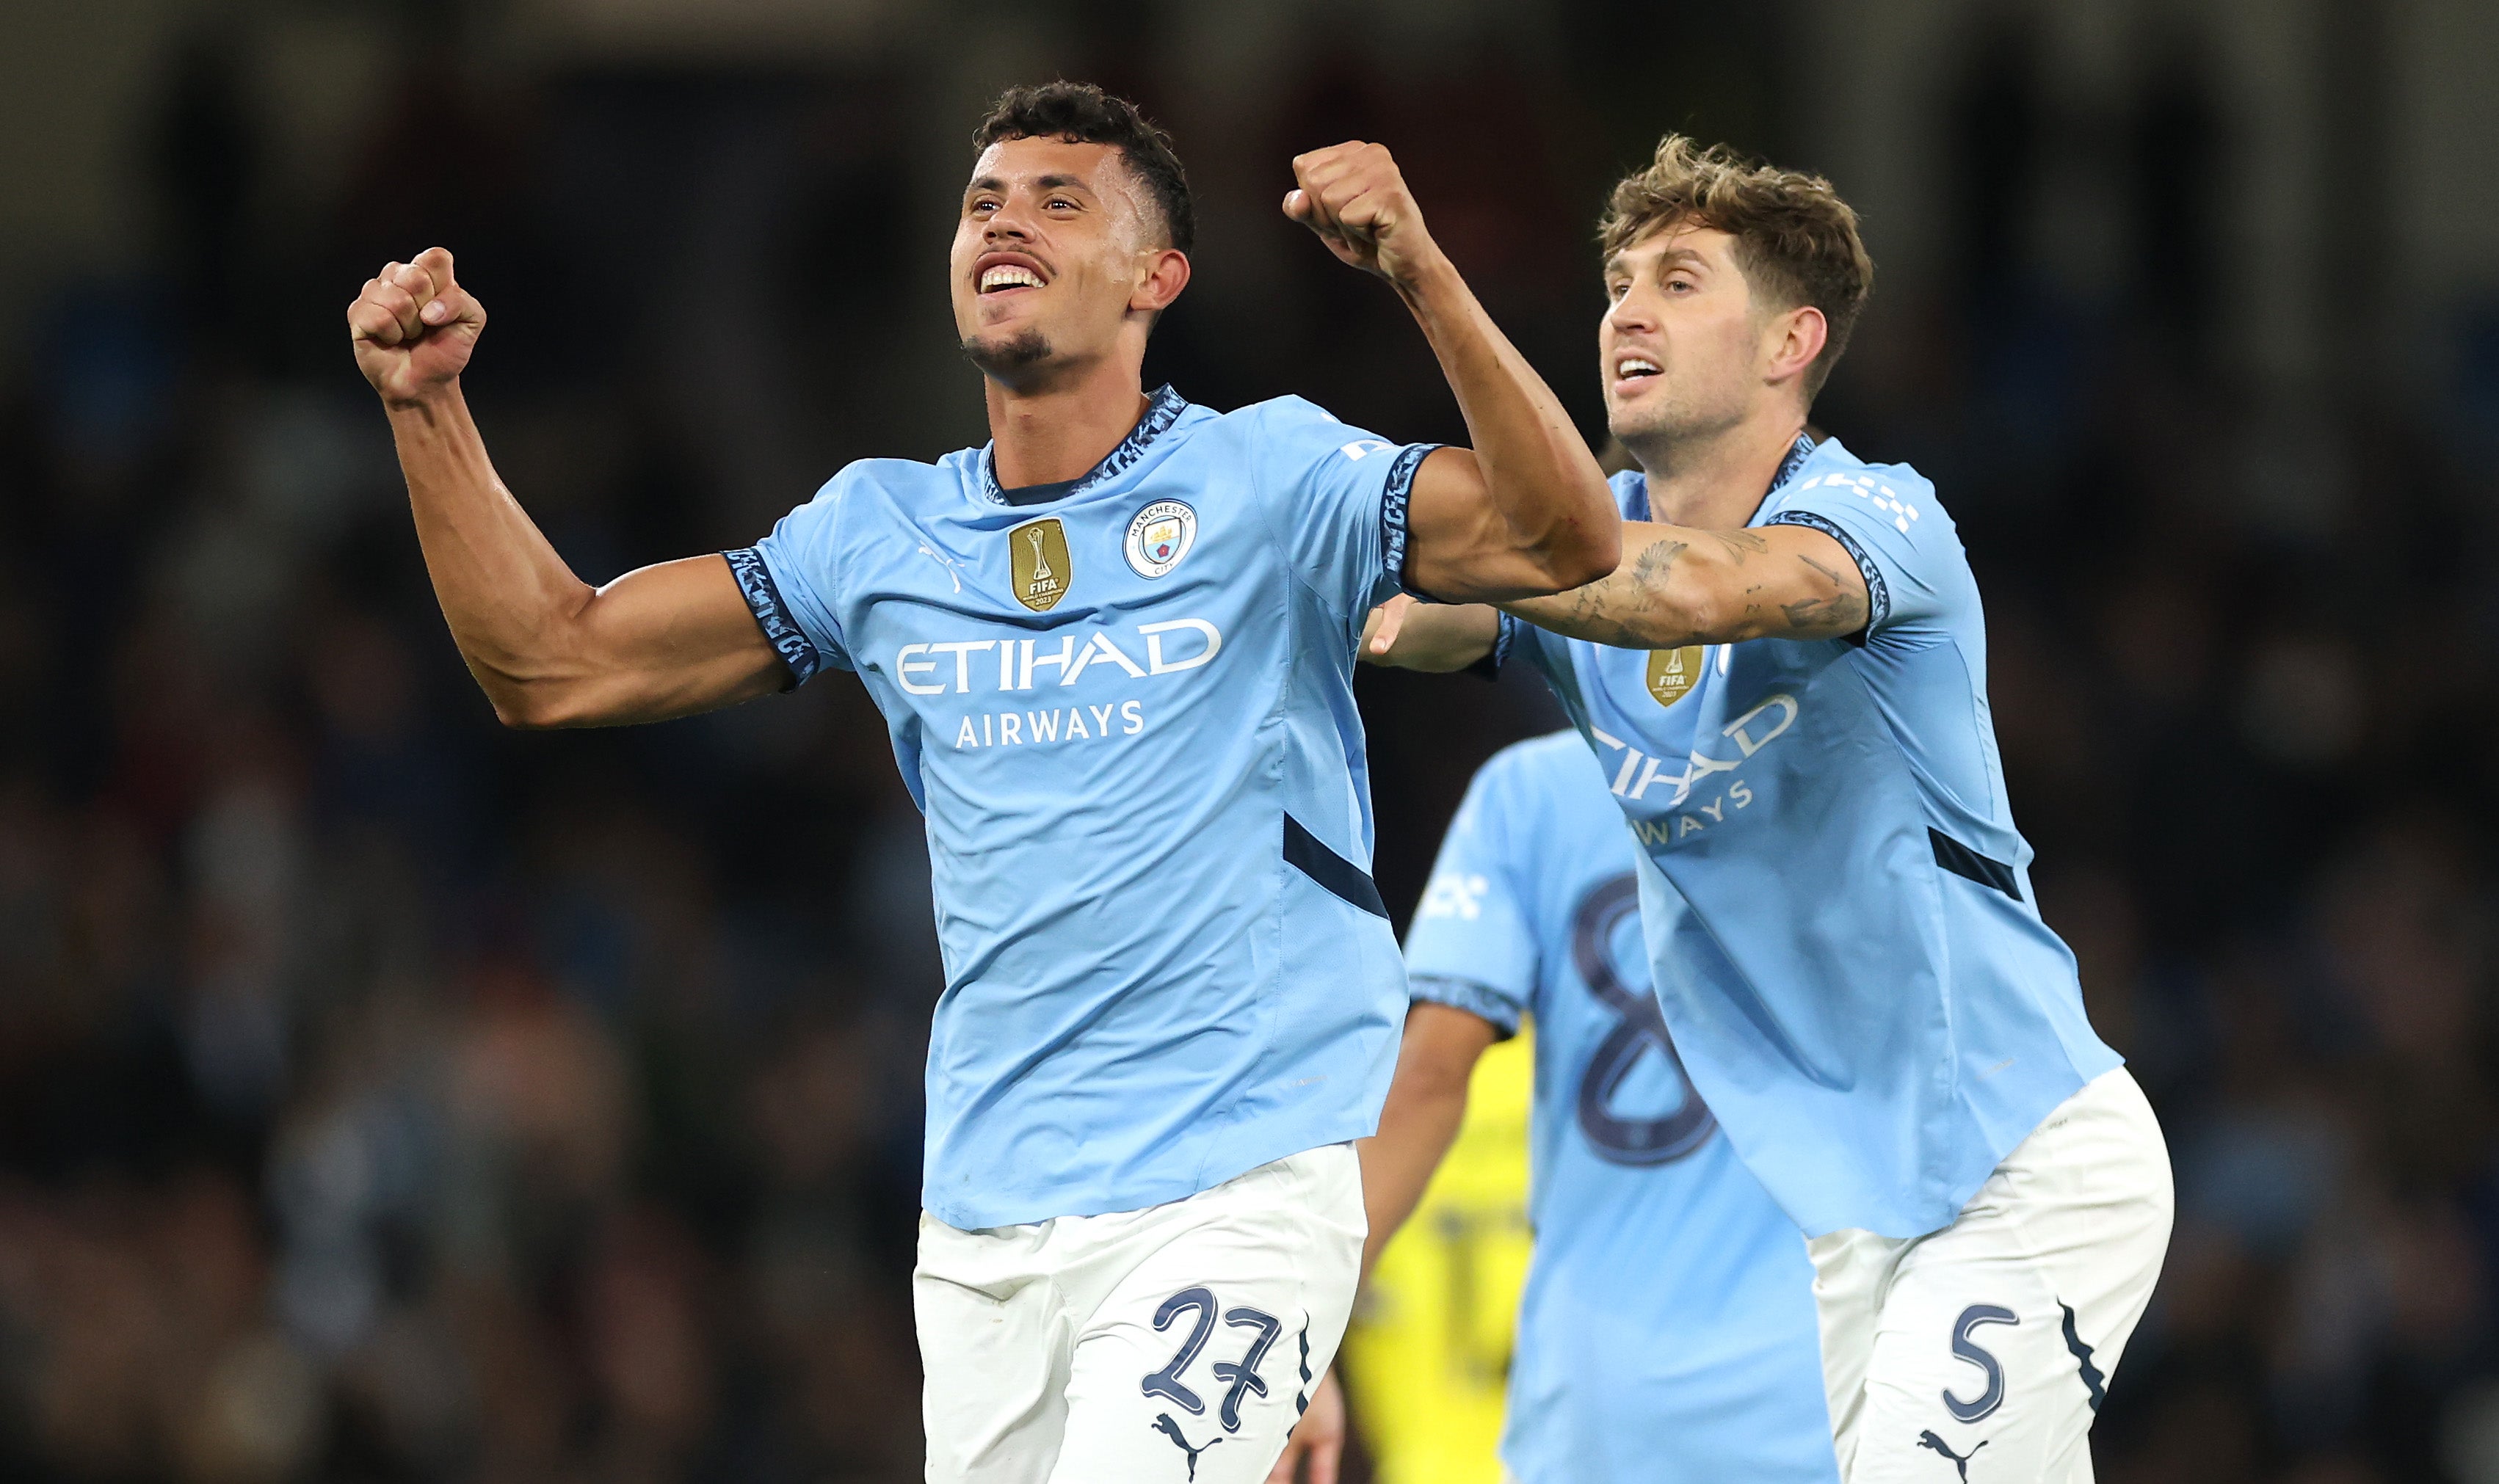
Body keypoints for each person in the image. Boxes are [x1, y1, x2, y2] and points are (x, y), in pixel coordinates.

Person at [344, 81, 1618, 1484]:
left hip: (1236, 1187)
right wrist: (427, 406)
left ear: (1157, 277)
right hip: (984, 1224)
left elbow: (1565, 535)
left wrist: (1419, 274)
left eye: (1056, 202)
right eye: (981, 204)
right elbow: (551, 661)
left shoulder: (1272, 476)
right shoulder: (877, 533)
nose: (1002, 222)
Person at [1360, 137, 2172, 1483]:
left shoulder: (1876, 520)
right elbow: (1406, 617)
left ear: (1793, 338)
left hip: (2018, 1172)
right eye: (1616, 280)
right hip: (1850, 1224)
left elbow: (1679, 591)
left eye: (1678, 281)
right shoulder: (1581, 555)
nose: (1624, 308)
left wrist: (1426, 279)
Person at [1362, 730, 1840, 1484]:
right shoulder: (1850, 760)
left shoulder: (1532, 790)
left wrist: (1287, 1334)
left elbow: (1427, 1076)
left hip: (1594, 1409)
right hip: (1818, 1393)